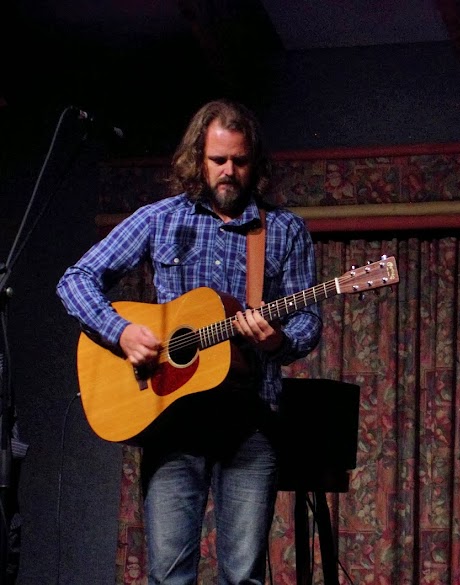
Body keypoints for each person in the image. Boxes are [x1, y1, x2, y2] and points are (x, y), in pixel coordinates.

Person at [57, 99, 322, 584]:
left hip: (250, 422)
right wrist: (120, 331)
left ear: (255, 163)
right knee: (169, 577)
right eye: (218, 160)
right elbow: (76, 279)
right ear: (198, 159)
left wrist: (276, 340)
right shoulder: (160, 218)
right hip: (172, 421)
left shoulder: (284, 231)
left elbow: (309, 322)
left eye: (239, 161)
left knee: (243, 577)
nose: (228, 171)